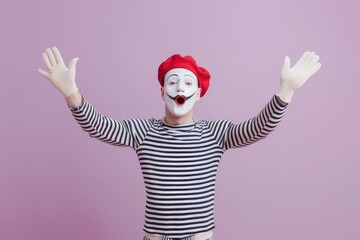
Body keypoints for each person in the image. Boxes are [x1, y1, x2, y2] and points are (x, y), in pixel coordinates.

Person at [38, 47, 321, 240]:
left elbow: (256, 129)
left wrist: (285, 91)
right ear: (162, 91)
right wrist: (70, 92)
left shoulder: (215, 132)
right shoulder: (143, 131)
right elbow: (101, 127)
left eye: (187, 84)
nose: (180, 89)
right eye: (173, 83)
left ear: (198, 93)